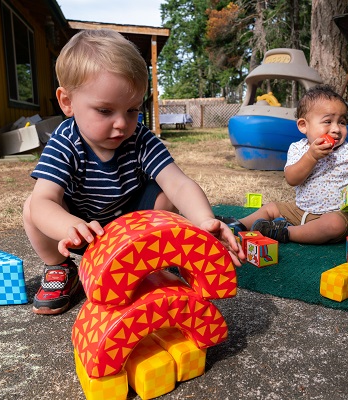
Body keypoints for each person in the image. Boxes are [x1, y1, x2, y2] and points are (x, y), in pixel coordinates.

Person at [23, 29, 244, 315]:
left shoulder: (140, 139)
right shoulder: (65, 142)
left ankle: (157, 259)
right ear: (67, 102)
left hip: (135, 233)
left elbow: (179, 184)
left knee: (166, 196)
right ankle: (59, 267)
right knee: (32, 208)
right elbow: (44, 201)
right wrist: (68, 226)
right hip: (83, 234)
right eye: (105, 111)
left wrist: (203, 221)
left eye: (132, 110)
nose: (121, 124)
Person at [221, 84, 348, 245]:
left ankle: (285, 233)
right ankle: (238, 224)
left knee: (334, 225)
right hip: (299, 211)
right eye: (328, 121)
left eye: (342, 122)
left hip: (338, 213)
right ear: (304, 125)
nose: (336, 129)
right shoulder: (299, 148)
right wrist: (311, 156)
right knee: (271, 207)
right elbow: (292, 178)